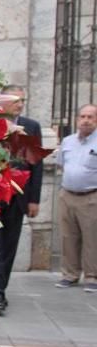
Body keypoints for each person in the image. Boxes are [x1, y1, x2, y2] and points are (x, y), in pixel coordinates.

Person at [0, 85, 43, 313]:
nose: (20, 104)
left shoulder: (31, 126)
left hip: (18, 197)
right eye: (16, 100)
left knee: (9, 246)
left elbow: (37, 164)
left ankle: (0, 289)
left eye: (22, 100)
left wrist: (34, 199)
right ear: (3, 101)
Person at [56, 103, 97, 292]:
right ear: (77, 119)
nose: (86, 120)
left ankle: (91, 276)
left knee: (91, 238)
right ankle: (70, 275)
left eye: (90, 117)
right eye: (83, 116)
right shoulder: (68, 141)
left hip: (91, 197)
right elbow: (62, 165)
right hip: (67, 195)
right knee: (68, 237)